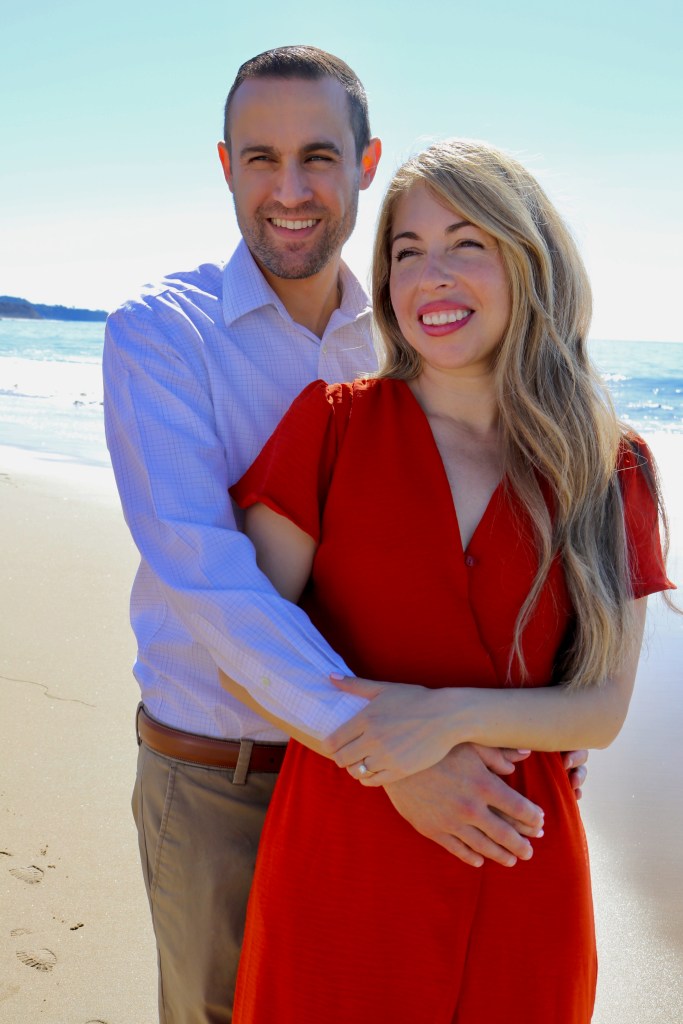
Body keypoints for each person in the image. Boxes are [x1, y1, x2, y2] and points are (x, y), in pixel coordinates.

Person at [103, 47, 586, 1024]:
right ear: (225, 165)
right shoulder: (161, 334)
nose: (290, 190)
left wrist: (546, 723)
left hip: (405, 783)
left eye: (318, 156)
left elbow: (484, 528)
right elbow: (212, 582)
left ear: (366, 164)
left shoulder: (411, 329)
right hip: (228, 776)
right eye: (260, 158)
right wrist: (394, 754)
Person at [226, 138, 675, 1023]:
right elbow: (249, 649)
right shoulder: (330, 427)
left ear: (529, 261)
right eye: (406, 251)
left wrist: (441, 718)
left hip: (518, 864)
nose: (430, 275)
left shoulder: (607, 464)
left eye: (466, 243)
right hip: (341, 857)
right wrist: (394, 763)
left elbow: (599, 709)